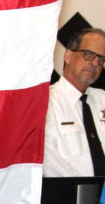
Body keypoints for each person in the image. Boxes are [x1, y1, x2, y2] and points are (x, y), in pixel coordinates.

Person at [43, 28, 105, 176]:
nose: (95, 62)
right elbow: (49, 164)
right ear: (68, 56)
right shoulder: (46, 103)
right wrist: (89, 191)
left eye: (101, 58)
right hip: (69, 195)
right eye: (88, 54)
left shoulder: (103, 99)